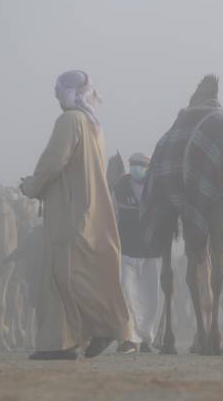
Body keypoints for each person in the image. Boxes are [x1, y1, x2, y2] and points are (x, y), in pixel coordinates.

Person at [20, 70, 135, 360]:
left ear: (69, 93)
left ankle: (108, 327)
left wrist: (31, 186)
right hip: (89, 207)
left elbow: (54, 162)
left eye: (59, 91)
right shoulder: (93, 124)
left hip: (71, 210)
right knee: (64, 275)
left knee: (66, 274)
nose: (56, 96)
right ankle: (61, 343)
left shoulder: (70, 120)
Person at [114, 152, 161, 354]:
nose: (136, 168)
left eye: (141, 164)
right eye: (133, 164)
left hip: (152, 251)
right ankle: (129, 339)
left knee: (152, 298)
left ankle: (146, 339)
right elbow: (112, 215)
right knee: (127, 294)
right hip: (127, 250)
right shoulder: (119, 189)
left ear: (148, 167)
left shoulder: (157, 189)